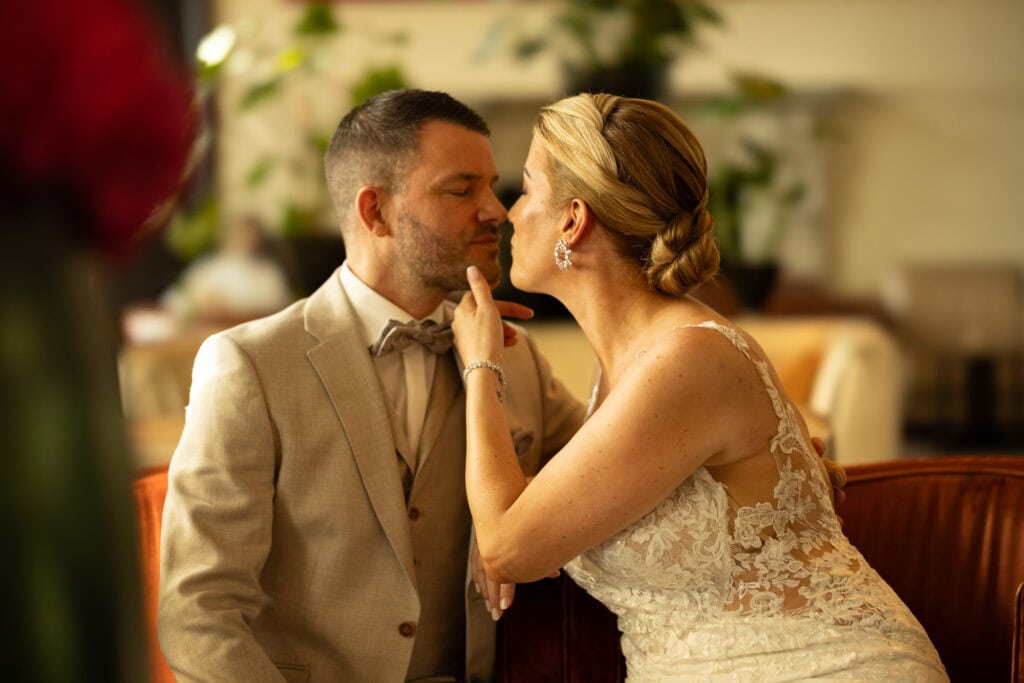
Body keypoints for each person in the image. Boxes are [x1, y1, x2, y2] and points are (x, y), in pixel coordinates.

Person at [451, 93, 948, 681]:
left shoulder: (686, 356)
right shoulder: (635, 361)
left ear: (573, 220)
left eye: (527, 188)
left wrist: (481, 365)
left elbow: (507, 547)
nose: (508, 211)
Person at [157, 89, 586, 682]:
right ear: (374, 211)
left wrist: (524, 512)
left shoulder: (513, 355)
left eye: (493, 185)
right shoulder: (248, 366)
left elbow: (612, 480)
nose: (496, 210)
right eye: (462, 190)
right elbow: (198, 612)